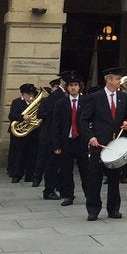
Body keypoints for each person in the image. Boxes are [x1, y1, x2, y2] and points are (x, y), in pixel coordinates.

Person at [80, 66, 127, 221]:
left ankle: (113, 209)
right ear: (108, 80)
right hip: (98, 145)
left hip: (115, 146)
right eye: (117, 79)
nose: (119, 82)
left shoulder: (123, 97)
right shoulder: (95, 97)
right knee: (94, 178)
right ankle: (93, 209)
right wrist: (91, 137)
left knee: (114, 179)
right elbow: (83, 120)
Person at [50, 74, 88, 206]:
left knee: (85, 169)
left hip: (82, 140)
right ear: (67, 88)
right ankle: (68, 195)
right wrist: (56, 144)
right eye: (71, 85)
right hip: (66, 140)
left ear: (79, 87)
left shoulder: (86, 101)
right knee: (66, 170)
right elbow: (56, 125)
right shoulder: (60, 104)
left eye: (75, 85)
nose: (73, 88)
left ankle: (89, 194)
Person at [6, 83, 40, 183]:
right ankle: (16, 175)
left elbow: (40, 115)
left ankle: (29, 175)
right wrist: (22, 117)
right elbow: (11, 115)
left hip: (33, 132)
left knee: (32, 154)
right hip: (20, 133)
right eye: (28, 93)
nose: (30, 96)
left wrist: (37, 122)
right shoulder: (16, 102)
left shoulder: (36, 103)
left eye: (32, 93)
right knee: (18, 154)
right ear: (23, 94)